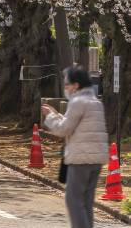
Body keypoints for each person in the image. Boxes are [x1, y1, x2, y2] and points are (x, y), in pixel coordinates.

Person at [42, 66, 108, 228]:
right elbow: (75, 125)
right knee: (86, 202)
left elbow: (63, 129)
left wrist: (49, 117)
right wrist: (57, 114)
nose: (66, 88)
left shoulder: (78, 102)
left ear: (76, 85)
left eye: (67, 84)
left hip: (80, 159)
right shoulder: (95, 102)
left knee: (73, 200)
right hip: (96, 159)